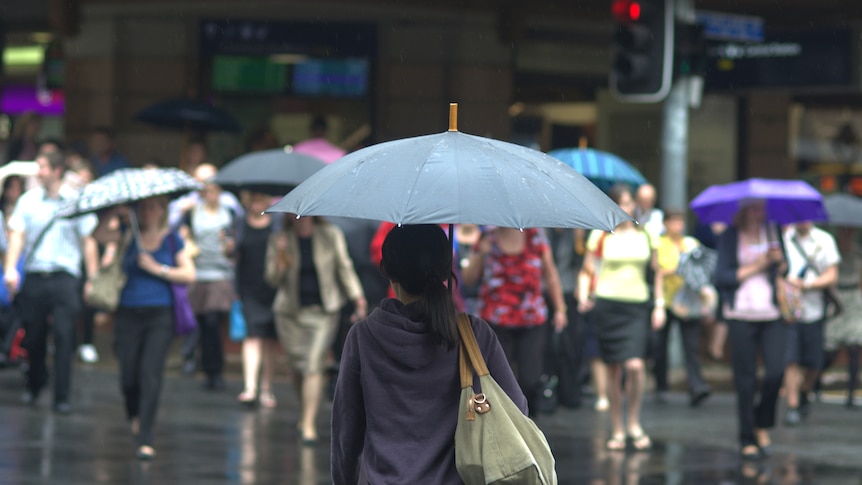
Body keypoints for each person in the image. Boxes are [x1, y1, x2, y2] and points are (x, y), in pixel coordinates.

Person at [331, 224, 527, 484]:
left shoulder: (363, 337)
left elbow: (347, 431)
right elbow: (517, 408)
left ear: (387, 270)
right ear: (446, 269)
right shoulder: (473, 334)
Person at [92, 197, 195, 460]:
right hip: (128, 312)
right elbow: (99, 234)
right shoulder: (128, 234)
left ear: (162, 210)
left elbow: (189, 274)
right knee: (128, 374)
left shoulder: (172, 239)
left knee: (150, 373)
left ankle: (146, 436)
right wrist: (114, 210)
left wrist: (157, 268)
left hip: (160, 314)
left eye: (152, 207)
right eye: (143, 207)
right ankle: (135, 414)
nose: (147, 212)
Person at [3, 150, 99, 414]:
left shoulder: (76, 200)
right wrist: (11, 268)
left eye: (43, 167)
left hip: (65, 277)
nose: (38, 171)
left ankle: (62, 395)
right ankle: (36, 382)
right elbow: (17, 237)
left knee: (65, 336)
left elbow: (88, 240)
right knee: (32, 335)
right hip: (35, 276)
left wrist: (92, 277)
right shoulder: (28, 201)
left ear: (57, 171)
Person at [577, 184, 665, 451]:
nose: (626, 208)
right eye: (621, 203)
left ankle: (634, 422)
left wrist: (660, 304)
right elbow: (587, 270)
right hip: (607, 304)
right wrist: (583, 295)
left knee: (636, 366)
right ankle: (617, 427)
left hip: (637, 306)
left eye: (629, 203)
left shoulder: (647, 234)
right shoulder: (601, 235)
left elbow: (658, 272)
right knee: (614, 369)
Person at [264, 214, 366, 444]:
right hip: (290, 313)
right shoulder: (280, 239)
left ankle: (308, 424)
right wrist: (280, 256)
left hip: (323, 312)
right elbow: (271, 279)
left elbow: (344, 266)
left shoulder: (330, 235)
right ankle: (305, 411)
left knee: (313, 365)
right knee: (296, 367)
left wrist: (357, 297)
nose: (299, 217)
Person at [461, 226, 568, 416]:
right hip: (495, 321)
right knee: (499, 379)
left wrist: (560, 308)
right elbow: (468, 280)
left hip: (531, 318)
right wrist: (480, 255)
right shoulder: (488, 238)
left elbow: (550, 275)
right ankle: (504, 425)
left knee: (530, 378)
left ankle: (528, 422)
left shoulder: (536, 236)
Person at [713, 199, 788, 460]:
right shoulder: (731, 236)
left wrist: (779, 262)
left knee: (776, 372)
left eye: (762, 208)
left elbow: (785, 268)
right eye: (754, 208)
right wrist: (758, 265)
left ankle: (762, 423)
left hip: (772, 312)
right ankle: (747, 437)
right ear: (743, 211)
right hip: (741, 313)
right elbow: (721, 276)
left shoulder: (773, 230)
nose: (760, 213)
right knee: (745, 379)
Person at [782, 221, 839, 425]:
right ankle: (792, 405)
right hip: (789, 310)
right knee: (790, 359)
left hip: (815, 309)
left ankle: (804, 390)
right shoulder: (784, 239)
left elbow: (832, 274)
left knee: (814, 363)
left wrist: (808, 285)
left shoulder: (824, 240)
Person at [652, 210, 711, 406]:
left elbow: (702, 266)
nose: (678, 226)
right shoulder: (660, 244)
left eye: (680, 222)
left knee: (691, 346)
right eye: (674, 222)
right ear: (666, 224)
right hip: (668, 300)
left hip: (688, 301)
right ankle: (661, 385)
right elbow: (657, 270)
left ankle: (696, 385)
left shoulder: (691, 243)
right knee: (661, 346)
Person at [182, 178, 237, 390]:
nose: (211, 195)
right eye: (207, 191)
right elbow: (183, 235)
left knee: (214, 321)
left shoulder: (228, 213)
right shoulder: (193, 212)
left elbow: (233, 242)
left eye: (215, 191)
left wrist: (229, 245)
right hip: (198, 271)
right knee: (202, 323)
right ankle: (205, 366)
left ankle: (216, 368)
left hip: (220, 273)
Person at [235, 191, 282, 408]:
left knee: (270, 340)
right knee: (252, 335)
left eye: (259, 199)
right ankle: (250, 387)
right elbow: (234, 255)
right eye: (252, 200)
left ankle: (266, 388)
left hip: (273, 287)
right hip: (249, 288)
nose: (255, 203)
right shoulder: (241, 223)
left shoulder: (277, 224)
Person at [823, 227, 862, 408]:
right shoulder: (830, 253)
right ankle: (813, 385)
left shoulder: (857, 253)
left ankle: (851, 393)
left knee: (855, 347)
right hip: (836, 298)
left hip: (853, 300)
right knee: (829, 349)